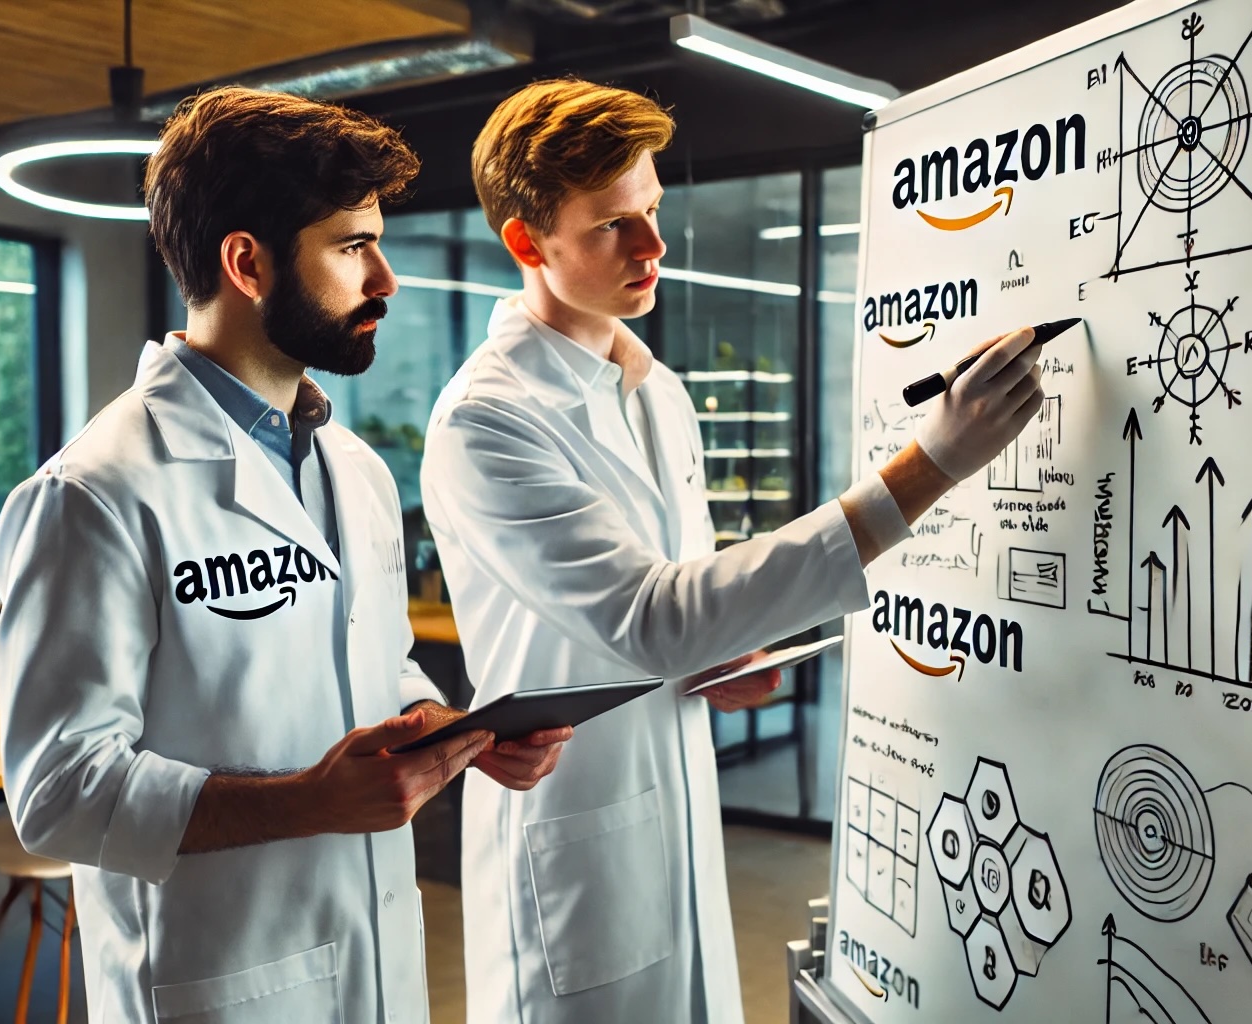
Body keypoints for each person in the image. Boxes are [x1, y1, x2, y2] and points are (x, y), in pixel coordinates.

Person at [420, 78, 1046, 1024]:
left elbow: (691, 608)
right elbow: (651, 619)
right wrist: (931, 467)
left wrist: (728, 655)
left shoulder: (656, 388)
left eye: (654, 211)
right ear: (526, 242)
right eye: (611, 227)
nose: (653, 246)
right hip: (574, 835)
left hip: (674, 801)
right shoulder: (487, 419)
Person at [0, 86, 571, 1024]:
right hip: (218, 981)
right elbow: (59, 793)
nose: (385, 279)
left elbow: (368, 666)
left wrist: (450, 731)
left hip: (373, 956)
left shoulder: (355, 469)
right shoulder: (96, 494)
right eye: (352, 247)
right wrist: (311, 801)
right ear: (248, 263)